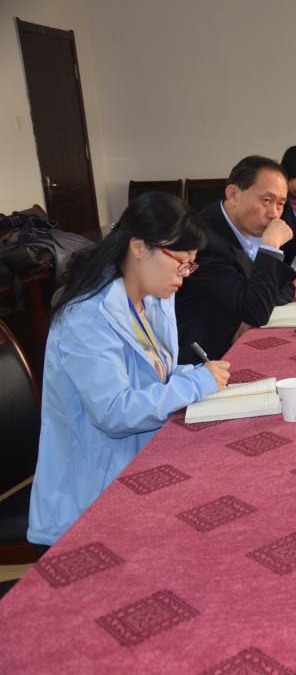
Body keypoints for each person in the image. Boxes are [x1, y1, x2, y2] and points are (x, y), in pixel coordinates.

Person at [28, 193, 231, 547]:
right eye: (181, 263)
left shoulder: (151, 298)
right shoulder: (87, 315)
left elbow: (153, 374)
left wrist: (194, 374)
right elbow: (114, 412)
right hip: (92, 491)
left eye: (191, 265)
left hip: (139, 461)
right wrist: (197, 384)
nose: (184, 276)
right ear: (139, 247)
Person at [176, 155, 296, 363]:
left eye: (280, 204)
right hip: (205, 360)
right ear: (233, 194)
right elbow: (257, 311)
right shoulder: (203, 240)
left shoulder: (248, 227)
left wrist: (252, 311)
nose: (274, 214)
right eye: (266, 201)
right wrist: (270, 247)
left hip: (236, 343)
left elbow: (287, 283)